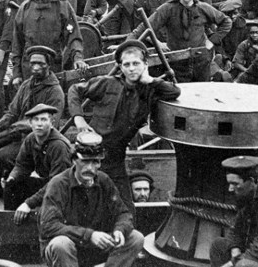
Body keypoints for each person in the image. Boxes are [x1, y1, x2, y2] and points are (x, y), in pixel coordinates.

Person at [68, 39, 181, 218]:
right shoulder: (107, 83)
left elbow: (174, 92)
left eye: (136, 63)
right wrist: (79, 120)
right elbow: (75, 90)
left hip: (116, 159)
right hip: (91, 153)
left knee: (126, 210)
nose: (131, 68)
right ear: (120, 67)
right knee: (85, 206)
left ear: (145, 64)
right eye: (126, 64)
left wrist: (150, 79)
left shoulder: (149, 89)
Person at [40, 132, 145, 267]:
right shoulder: (58, 185)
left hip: (93, 247)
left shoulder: (104, 181)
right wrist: (89, 235)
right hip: (64, 251)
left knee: (135, 238)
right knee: (61, 244)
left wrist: (119, 231)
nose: (90, 168)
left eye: (95, 162)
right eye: (85, 162)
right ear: (74, 160)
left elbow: (123, 213)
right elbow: (49, 226)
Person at [0, 45, 64, 198]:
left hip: (38, 139)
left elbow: (48, 125)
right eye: (32, 63)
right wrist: (1, 123)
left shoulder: (54, 92)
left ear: (48, 65)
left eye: (40, 64)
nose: (35, 68)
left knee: (3, 155)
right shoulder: (27, 85)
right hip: (17, 133)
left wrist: (13, 129)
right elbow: (13, 111)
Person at [132, 0, 232, 82]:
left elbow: (226, 22)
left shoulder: (203, 8)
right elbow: (143, 28)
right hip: (177, 63)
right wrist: (126, 46)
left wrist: (212, 41)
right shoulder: (167, 9)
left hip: (201, 62)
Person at [11, 0, 86, 82]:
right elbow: (17, 43)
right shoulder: (25, 8)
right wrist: (17, 74)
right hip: (29, 66)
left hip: (53, 65)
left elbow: (73, 35)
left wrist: (78, 58)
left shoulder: (62, 6)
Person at [4, 103, 72, 221]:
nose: (39, 124)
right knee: (12, 185)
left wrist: (29, 203)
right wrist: (12, 177)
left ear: (52, 123)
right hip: (49, 182)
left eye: (44, 119)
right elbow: (22, 165)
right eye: (36, 120)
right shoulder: (31, 138)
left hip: (65, 190)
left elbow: (57, 183)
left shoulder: (58, 146)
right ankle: (11, 223)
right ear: (30, 123)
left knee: (47, 215)